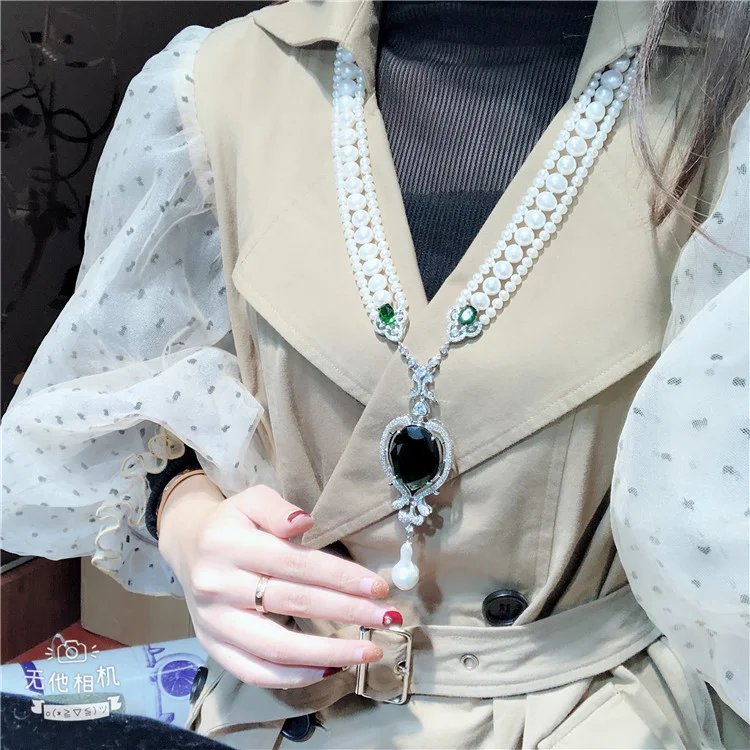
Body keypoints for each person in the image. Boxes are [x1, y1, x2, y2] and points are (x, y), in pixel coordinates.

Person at [2, 0, 749, 747]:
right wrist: (190, 522)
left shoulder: (726, 99)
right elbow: (137, 389)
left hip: (595, 713)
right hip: (287, 707)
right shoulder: (217, 83)